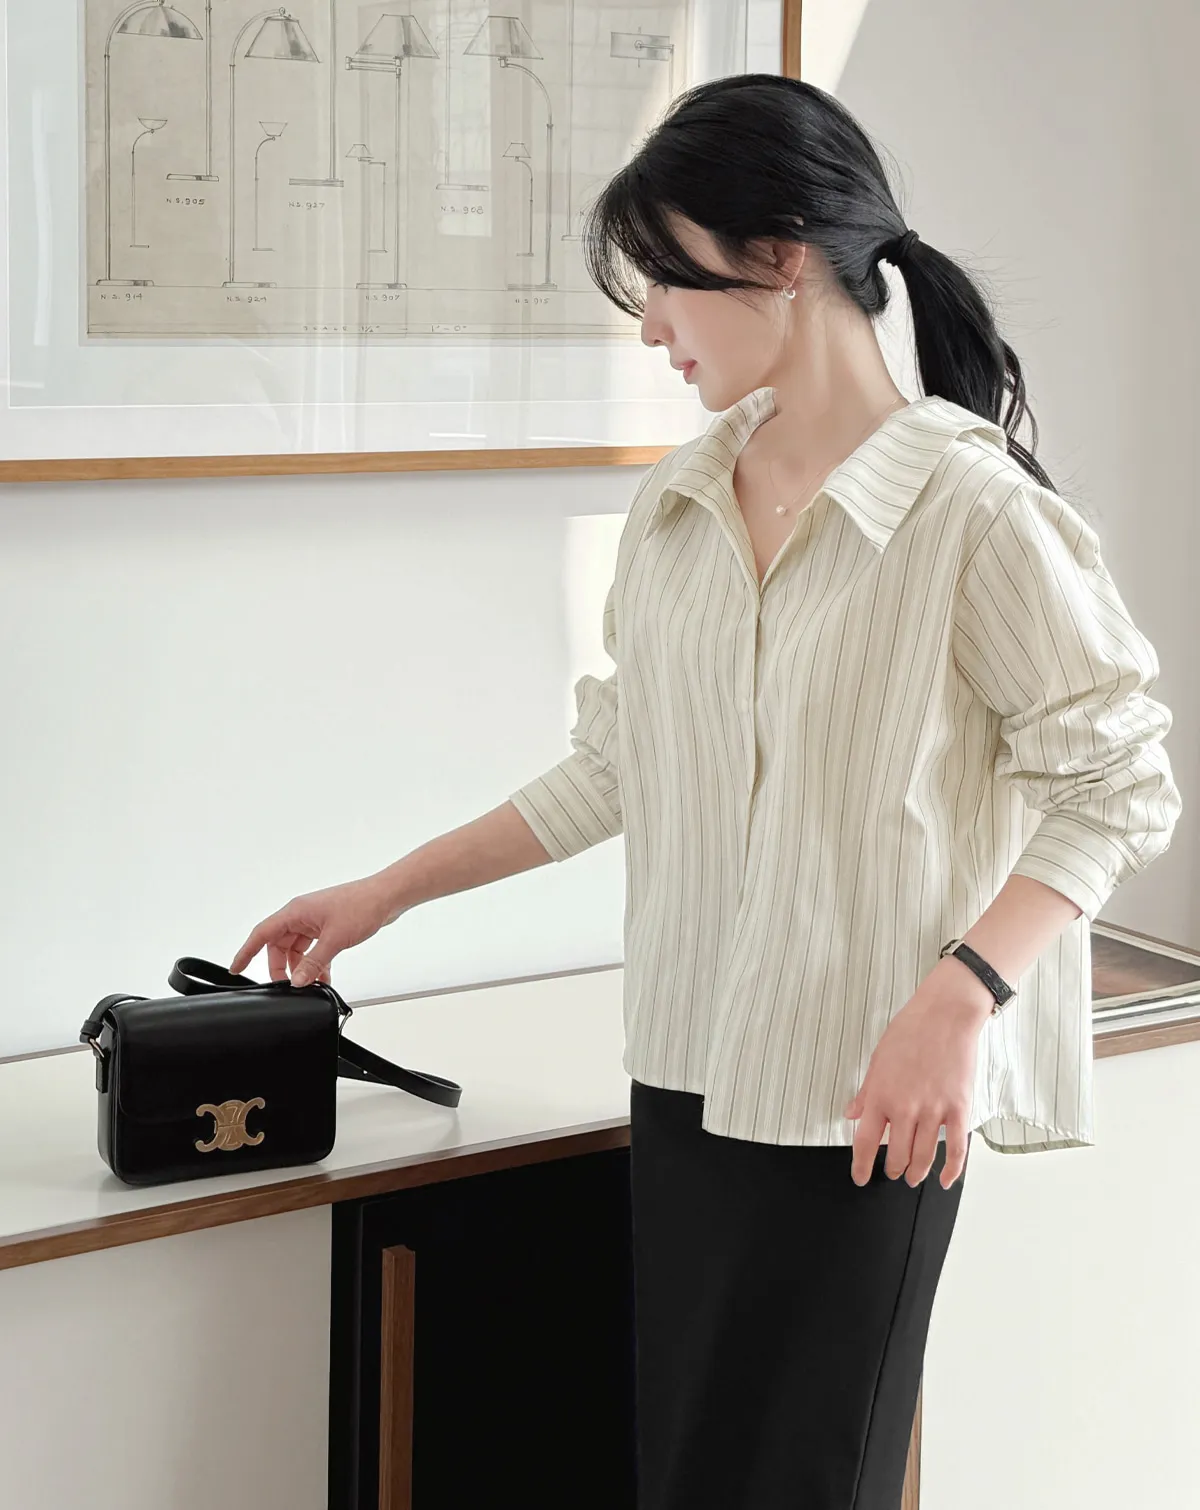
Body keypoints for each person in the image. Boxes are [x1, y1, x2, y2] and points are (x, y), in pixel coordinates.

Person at [231, 75, 1181, 1510]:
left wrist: (962, 994)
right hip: (687, 1068)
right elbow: (620, 761)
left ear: (781, 256)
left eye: (665, 278)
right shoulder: (678, 504)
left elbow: (1119, 780)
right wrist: (385, 892)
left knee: (807, 1481)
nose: (651, 326)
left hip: (870, 1096)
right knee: (690, 1477)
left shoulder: (974, 514)